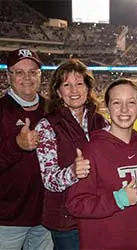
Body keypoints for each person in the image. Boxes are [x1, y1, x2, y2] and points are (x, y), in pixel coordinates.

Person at [66, 78, 137, 250]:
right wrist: (118, 199)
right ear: (108, 108)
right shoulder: (92, 150)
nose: (124, 109)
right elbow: (75, 204)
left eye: (131, 102)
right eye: (117, 102)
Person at [35, 59, 109, 250]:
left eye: (79, 83)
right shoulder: (46, 126)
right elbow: (49, 179)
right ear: (59, 92)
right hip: (66, 219)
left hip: (97, 212)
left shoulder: (100, 122)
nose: (74, 90)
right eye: (67, 85)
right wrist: (73, 172)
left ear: (88, 88)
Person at [0, 48, 53, 249]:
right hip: (7, 219)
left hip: (45, 217)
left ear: (40, 75)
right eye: (20, 72)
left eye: (33, 72)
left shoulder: (52, 110)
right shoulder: (1, 111)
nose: (27, 78)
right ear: (9, 76)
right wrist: (16, 145)